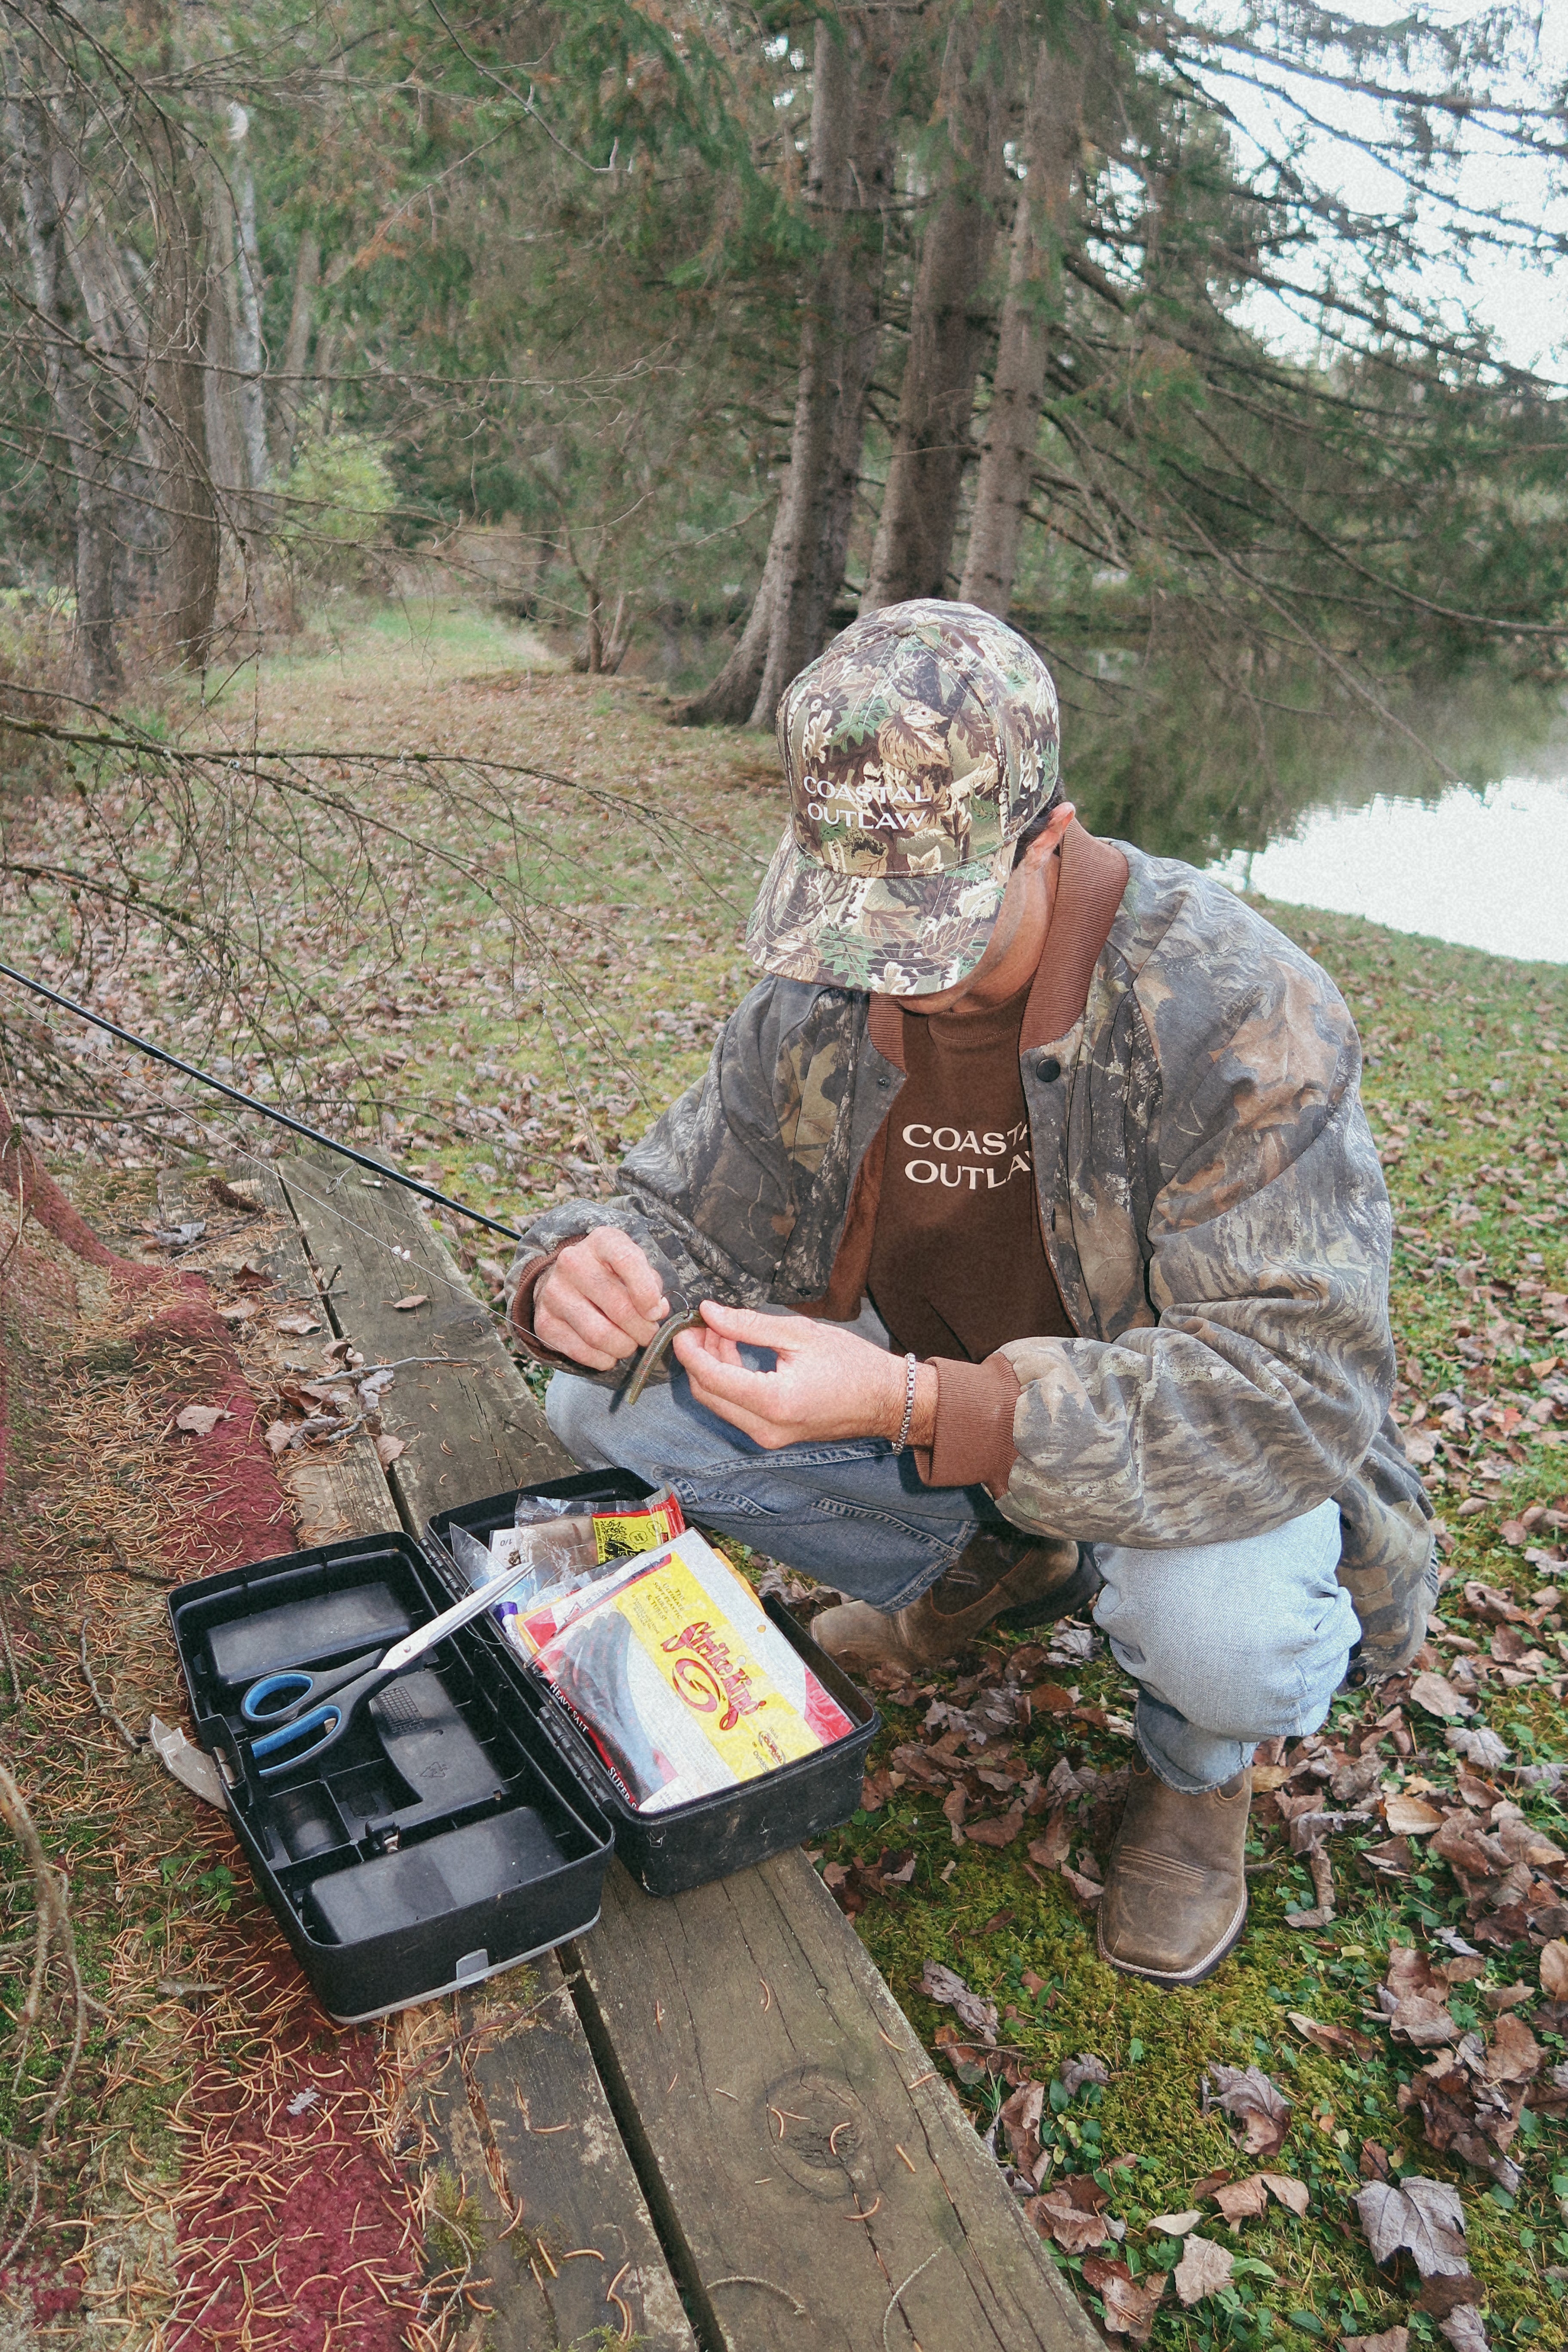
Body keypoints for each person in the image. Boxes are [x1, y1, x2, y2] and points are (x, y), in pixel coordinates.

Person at [506, 600, 1434, 1988]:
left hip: (1184, 1448)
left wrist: (917, 1402)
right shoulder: (820, 988)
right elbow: (679, 1214)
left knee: (1225, 1636)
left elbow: (1296, 1392)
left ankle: (1194, 1770)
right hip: (937, 1407)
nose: (882, 961)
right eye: (854, 911)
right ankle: (997, 1561)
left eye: (928, 916)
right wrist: (573, 1267)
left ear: (1046, 840)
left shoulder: (1237, 1009)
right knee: (607, 1403)